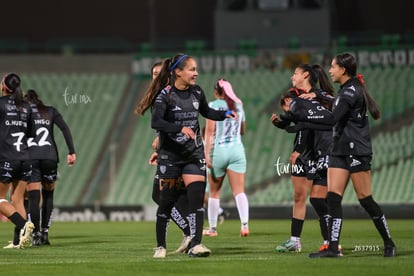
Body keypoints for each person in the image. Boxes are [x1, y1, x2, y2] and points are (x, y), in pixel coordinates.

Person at [289, 53, 396, 258]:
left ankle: (389, 242)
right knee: (333, 198)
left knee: (365, 200)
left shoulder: (351, 92)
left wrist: (303, 116)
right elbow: (331, 115)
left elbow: (332, 120)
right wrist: (299, 121)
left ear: (343, 70)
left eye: (333, 67)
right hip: (339, 151)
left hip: (356, 151)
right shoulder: (344, 91)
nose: (330, 71)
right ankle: (332, 248)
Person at [136, 53, 237, 258]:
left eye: (196, 69)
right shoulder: (164, 95)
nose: (196, 73)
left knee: (196, 201)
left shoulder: (197, 92)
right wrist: (179, 128)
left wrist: (224, 114)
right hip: (171, 156)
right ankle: (161, 247)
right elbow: (156, 123)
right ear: (178, 72)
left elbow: (207, 112)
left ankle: (196, 244)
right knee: (165, 201)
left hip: (193, 155)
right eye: (192, 69)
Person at [271, 64, 334, 253]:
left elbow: (306, 125)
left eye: (295, 73)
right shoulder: (299, 98)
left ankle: (330, 241)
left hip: (319, 153)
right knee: (301, 197)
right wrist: (282, 123)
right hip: (308, 153)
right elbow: (299, 124)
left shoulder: (319, 97)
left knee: (319, 199)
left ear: (305, 75)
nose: (292, 76)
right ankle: (296, 240)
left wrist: (298, 149)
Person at [146, 61, 192, 255]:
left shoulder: (168, 94)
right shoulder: (162, 94)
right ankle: (191, 233)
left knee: (161, 195)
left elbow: (176, 120)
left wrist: (162, 139)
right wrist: (160, 140)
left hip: (175, 153)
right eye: (153, 73)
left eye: (159, 73)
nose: (156, 76)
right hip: (169, 150)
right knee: (173, 195)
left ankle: (189, 233)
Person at [23, 89, 76, 246]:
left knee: (33, 197)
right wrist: (71, 151)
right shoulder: (50, 111)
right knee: (48, 195)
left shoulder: (23, 113)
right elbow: (65, 129)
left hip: (30, 157)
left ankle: (36, 235)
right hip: (49, 157)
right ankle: (45, 233)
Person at [203, 78, 249, 237]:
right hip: (237, 150)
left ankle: (213, 229)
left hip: (219, 151)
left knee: (214, 193)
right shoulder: (239, 105)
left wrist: (206, 155)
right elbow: (243, 130)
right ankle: (244, 225)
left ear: (216, 92)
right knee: (239, 191)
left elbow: (209, 132)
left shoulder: (213, 106)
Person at [0, 73, 34, 248]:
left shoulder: (1, 104)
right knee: (17, 199)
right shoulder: (26, 107)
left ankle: (24, 225)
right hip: (25, 157)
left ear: (4, 86)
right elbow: (31, 134)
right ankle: (18, 241)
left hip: (8, 157)